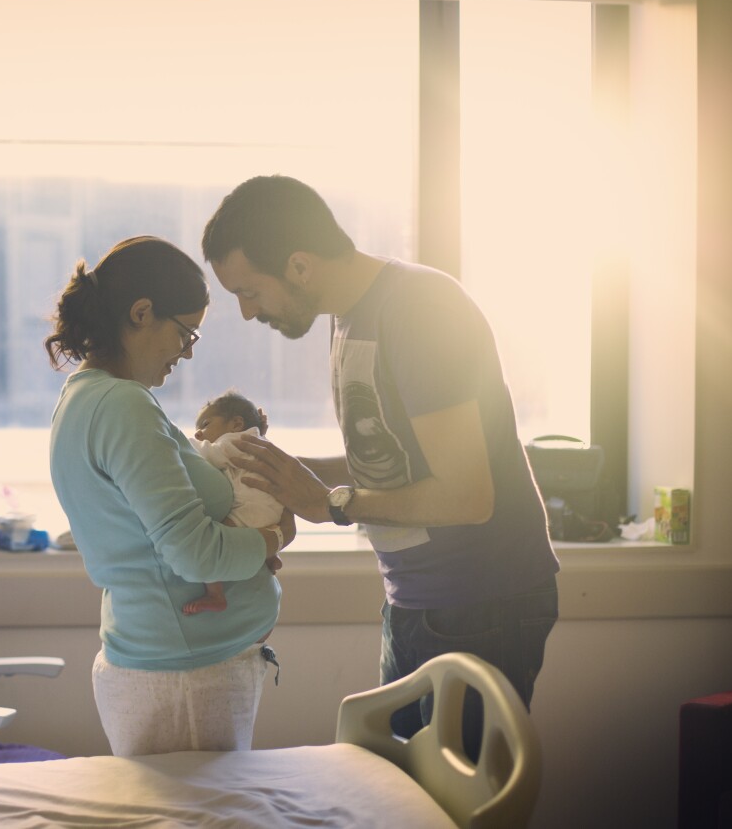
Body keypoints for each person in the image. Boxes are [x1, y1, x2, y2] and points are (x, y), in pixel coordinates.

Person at [200, 175, 560, 758]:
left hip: (482, 604)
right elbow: (394, 457)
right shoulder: (349, 317)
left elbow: (468, 495)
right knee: (400, 797)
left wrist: (331, 504)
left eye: (249, 291)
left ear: (299, 265)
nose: (246, 313)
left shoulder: (419, 309)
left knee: (451, 809)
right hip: (416, 600)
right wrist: (278, 474)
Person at [45, 235, 295, 757]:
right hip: (186, 676)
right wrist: (271, 538)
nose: (186, 353)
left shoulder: (87, 397)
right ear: (141, 313)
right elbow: (193, 553)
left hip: (180, 665)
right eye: (186, 334)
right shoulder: (122, 406)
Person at [184, 389, 285, 615]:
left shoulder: (236, 441)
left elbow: (206, 454)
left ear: (236, 424)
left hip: (252, 509)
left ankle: (215, 593)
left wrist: (180, 442)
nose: (199, 434)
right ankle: (269, 557)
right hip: (269, 510)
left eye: (205, 425)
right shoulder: (257, 440)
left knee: (214, 544)